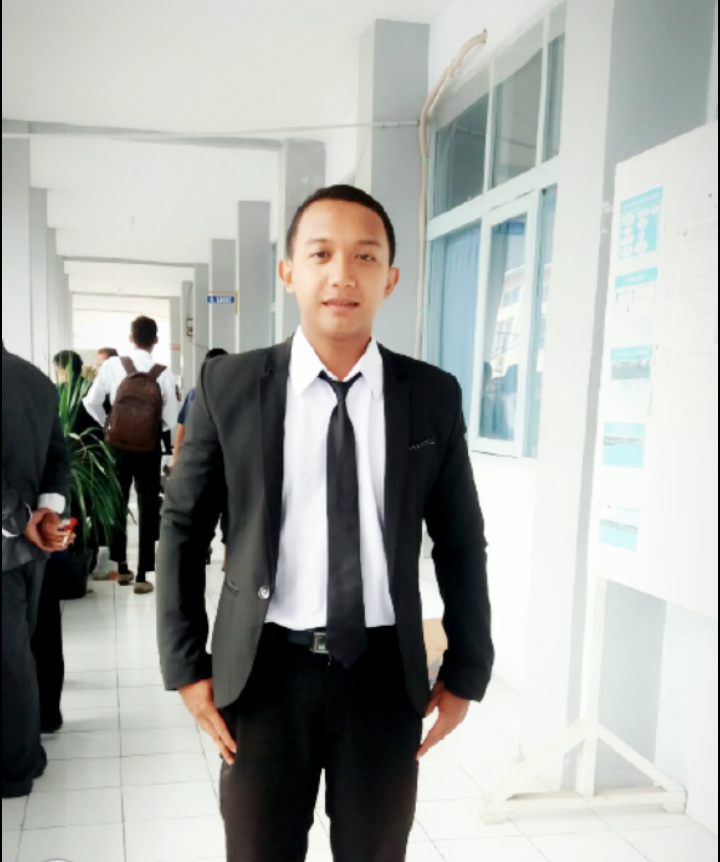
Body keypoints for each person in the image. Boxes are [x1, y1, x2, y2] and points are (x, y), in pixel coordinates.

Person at [158, 185, 494, 862]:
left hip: (383, 677)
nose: (343, 274)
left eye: (365, 256)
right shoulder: (231, 387)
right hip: (263, 674)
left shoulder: (431, 396)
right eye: (321, 254)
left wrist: (467, 668)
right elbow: (182, 529)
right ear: (289, 272)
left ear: (390, 278)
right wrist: (186, 667)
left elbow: (460, 541)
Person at [2, 343, 72, 799]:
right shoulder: (37, 380)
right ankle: (26, 755)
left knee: (10, 664)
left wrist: (19, 517)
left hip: (13, 535)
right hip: (31, 548)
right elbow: (58, 458)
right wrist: (45, 514)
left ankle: (15, 768)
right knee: (18, 656)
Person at [84, 316, 178, 595]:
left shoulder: (113, 365)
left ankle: (122, 566)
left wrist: (108, 424)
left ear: (130, 338)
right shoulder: (164, 373)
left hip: (118, 445)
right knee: (148, 506)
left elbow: (90, 401)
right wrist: (150, 430)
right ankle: (142, 574)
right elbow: (170, 419)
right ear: (155, 340)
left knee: (118, 501)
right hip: (148, 448)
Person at [170, 348, 229, 470]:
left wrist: (175, 459)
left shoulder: (196, 393)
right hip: (224, 459)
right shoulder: (234, 394)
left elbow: (182, 428)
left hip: (200, 457)